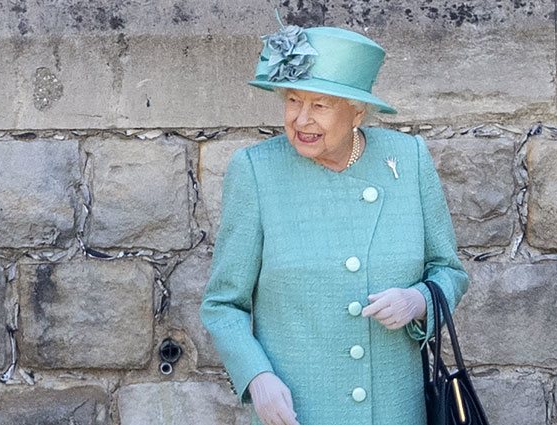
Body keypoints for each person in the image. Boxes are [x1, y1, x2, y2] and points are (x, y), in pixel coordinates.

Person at [200, 21, 469, 425]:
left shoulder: (408, 160)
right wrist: (257, 377)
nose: (302, 120)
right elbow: (224, 304)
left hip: (396, 411)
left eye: (320, 105)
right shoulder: (256, 171)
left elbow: (449, 271)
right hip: (299, 412)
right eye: (293, 100)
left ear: (357, 111)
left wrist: (419, 302)